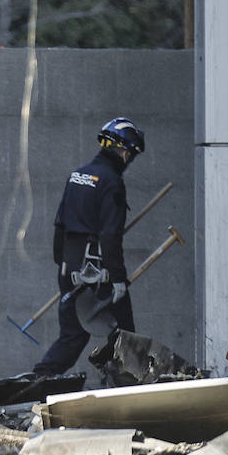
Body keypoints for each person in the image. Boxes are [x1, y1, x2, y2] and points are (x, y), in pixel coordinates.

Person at [32, 117, 145, 377]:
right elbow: (110, 235)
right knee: (125, 335)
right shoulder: (111, 182)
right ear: (124, 150)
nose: (130, 159)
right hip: (97, 271)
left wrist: (64, 267)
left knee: (72, 336)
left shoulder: (78, 175)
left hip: (70, 268)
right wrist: (117, 279)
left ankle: (37, 381)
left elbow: (60, 224)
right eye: (131, 153)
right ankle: (130, 391)